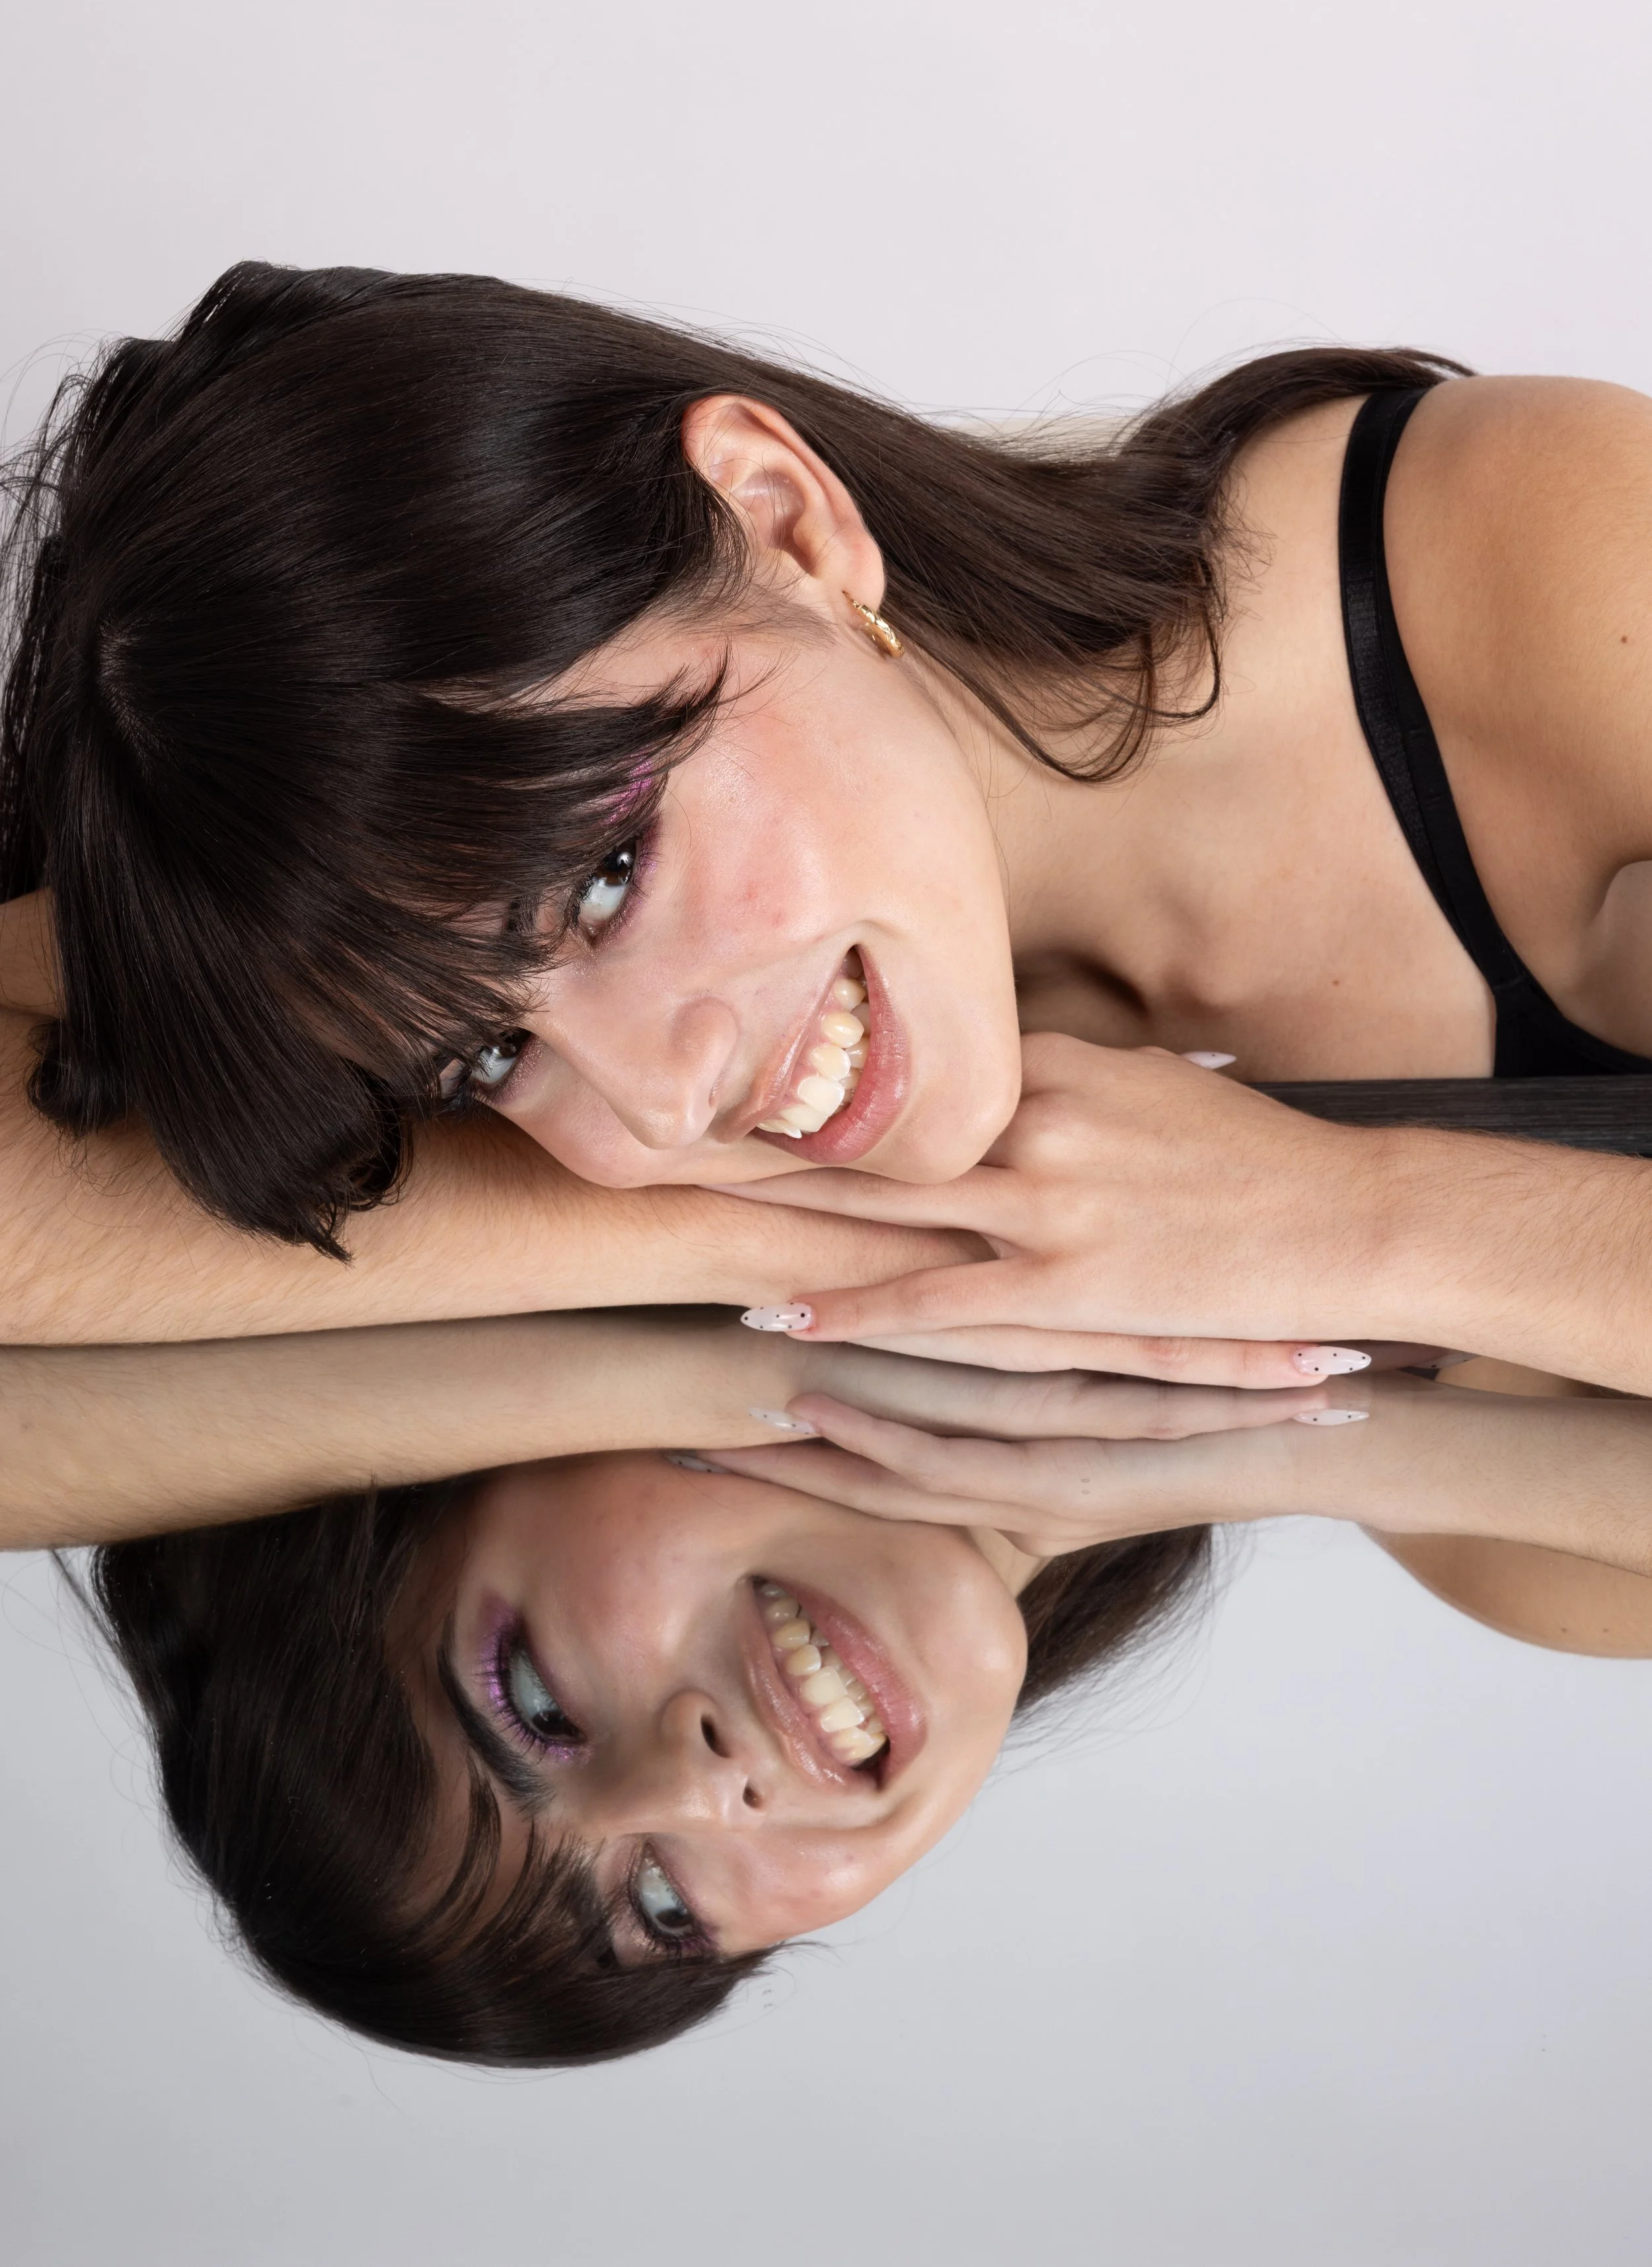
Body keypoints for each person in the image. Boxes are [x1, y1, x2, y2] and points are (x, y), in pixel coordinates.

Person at [13, 261, 1652, 1402]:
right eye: (478, 1064)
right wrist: (795, 1235)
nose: (649, 1108)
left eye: (605, 874)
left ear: (784, 518)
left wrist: (1358, 1225)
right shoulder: (1049, 1208)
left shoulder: (1531, 573)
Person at [37, 1308, 1652, 2067]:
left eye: (531, 1698)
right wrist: (1279, 1440)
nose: (700, 1784)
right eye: (666, 1904)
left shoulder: (871, 945)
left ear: (456, 1438)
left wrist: (736, 1358)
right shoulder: (1549, 1557)